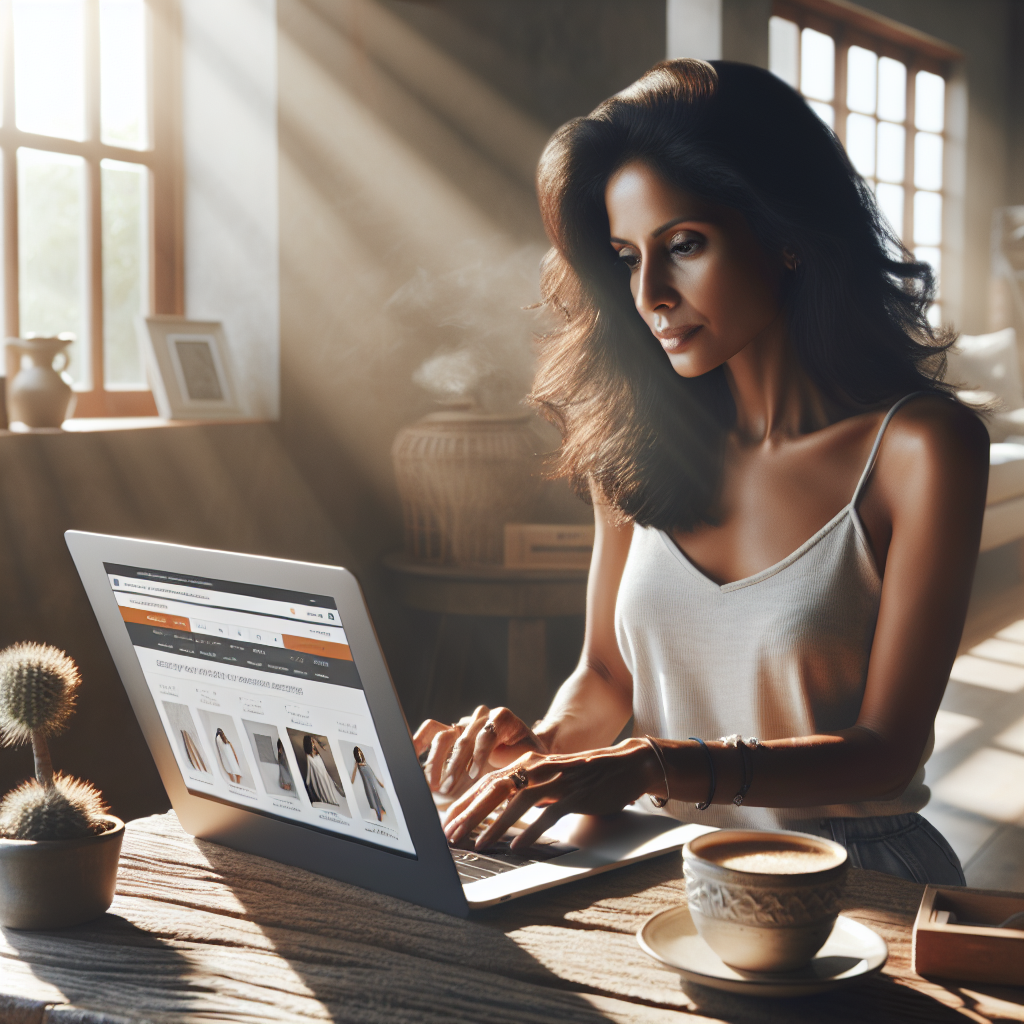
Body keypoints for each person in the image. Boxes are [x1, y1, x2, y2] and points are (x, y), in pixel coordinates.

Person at [413, 60, 988, 885]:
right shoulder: (637, 441)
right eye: (624, 256)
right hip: (652, 859)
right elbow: (605, 679)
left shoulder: (921, 448)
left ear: (786, 233)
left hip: (844, 872)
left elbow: (882, 751)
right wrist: (535, 752)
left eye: (684, 246)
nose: (651, 293)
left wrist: (654, 764)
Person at [302, 734, 345, 806]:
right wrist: (308, 780)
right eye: (312, 742)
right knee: (325, 790)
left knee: (330, 789)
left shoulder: (317, 753)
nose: (313, 744)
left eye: (313, 741)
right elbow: (310, 768)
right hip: (320, 776)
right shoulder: (309, 756)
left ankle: (334, 801)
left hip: (325, 774)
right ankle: (330, 801)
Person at [350, 746, 387, 822]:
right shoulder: (357, 764)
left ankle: (381, 811)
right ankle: (378, 813)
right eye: (358, 753)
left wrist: (379, 783)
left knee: (376, 794)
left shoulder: (366, 762)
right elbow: (352, 780)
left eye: (360, 752)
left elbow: (372, 773)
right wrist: (355, 767)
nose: (359, 754)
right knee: (371, 796)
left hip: (372, 782)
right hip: (367, 783)